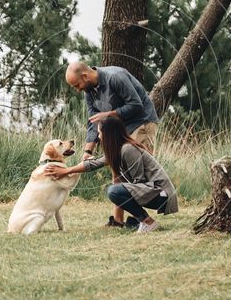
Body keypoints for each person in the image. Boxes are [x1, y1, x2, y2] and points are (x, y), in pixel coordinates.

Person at [65, 61, 160, 227]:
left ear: (85, 76)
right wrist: (88, 150)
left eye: (77, 85)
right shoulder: (89, 91)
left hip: (141, 122)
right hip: (120, 127)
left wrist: (108, 114)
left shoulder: (116, 77)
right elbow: (94, 121)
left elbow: (136, 105)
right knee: (117, 168)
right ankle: (118, 221)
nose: (77, 89)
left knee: (135, 172)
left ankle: (142, 219)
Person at [44, 116, 177, 233]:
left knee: (115, 191)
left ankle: (148, 223)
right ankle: (143, 221)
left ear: (108, 134)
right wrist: (66, 171)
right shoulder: (118, 148)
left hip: (161, 194)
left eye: (100, 132)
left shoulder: (128, 149)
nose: (99, 136)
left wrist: (126, 195)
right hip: (152, 191)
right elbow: (93, 164)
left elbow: (139, 181)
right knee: (117, 190)